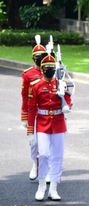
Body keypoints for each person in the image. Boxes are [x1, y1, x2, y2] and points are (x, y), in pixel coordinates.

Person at [27, 52, 72, 201]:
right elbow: (32, 109)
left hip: (58, 123)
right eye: (47, 68)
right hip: (42, 123)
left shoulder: (60, 83)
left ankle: (53, 188)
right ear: (43, 69)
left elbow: (68, 104)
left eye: (52, 68)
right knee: (44, 155)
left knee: (57, 157)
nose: (50, 70)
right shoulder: (36, 86)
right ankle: (41, 186)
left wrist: (64, 94)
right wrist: (30, 130)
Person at [21, 35, 46, 181]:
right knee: (34, 142)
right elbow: (24, 96)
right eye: (36, 56)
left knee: (46, 144)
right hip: (33, 113)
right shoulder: (28, 74)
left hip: (47, 113)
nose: (38, 59)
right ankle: (34, 164)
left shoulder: (50, 71)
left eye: (41, 56)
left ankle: (45, 169)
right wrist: (24, 116)